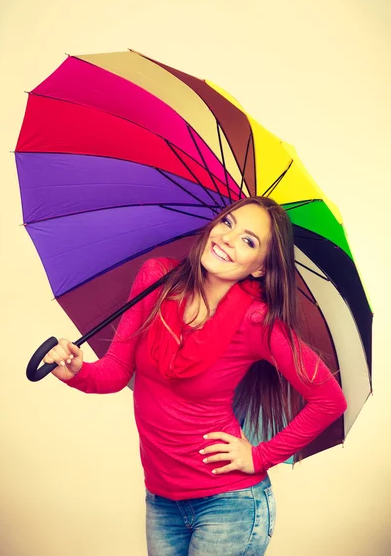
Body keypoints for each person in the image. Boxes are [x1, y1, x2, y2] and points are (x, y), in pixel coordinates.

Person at [43, 196, 347, 556]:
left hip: (229, 505)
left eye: (249, 241)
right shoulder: (156, 279)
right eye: (227, 223)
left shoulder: (257, 321)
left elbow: (330, 399)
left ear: (260, 269)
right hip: (161, 501)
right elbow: (115, 373)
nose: (228, 238)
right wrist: (77, 370)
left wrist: (260, 456)